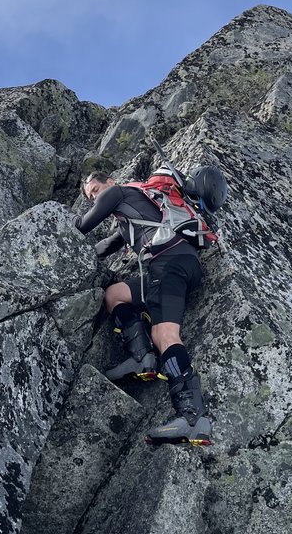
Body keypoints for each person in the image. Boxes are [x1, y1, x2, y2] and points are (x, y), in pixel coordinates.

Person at [73, 170, 211, 445]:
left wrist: (55, 218)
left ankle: (193, 417)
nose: (94, 198)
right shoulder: (131, 214)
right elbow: (105, 246)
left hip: (169, 262)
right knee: (115, 294)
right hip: (176, 264)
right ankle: (141, 356)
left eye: (95, 190)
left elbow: (82, 226)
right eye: (90, 197)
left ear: (110, 182)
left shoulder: (117, 192)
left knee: (165, 335)